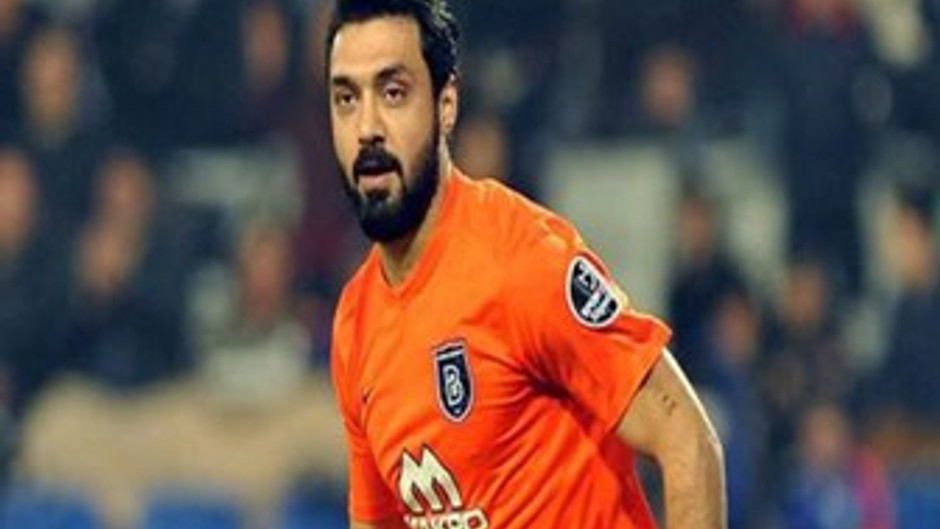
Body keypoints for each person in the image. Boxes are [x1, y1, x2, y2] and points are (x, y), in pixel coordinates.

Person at [326, 1, 726, 528]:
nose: (367, 127)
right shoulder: (356, 323)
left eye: (393, 92)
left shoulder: (522, 261)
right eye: (346, 98)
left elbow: (688, 439)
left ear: (446, 105)